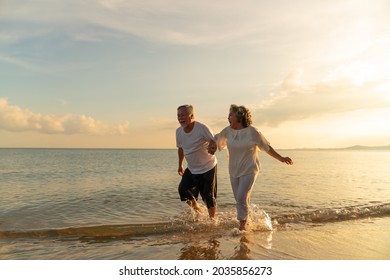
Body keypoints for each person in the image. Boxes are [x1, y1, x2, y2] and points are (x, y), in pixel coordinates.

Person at [209, 104, 293, 230]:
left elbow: (266, 147)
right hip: (234, 171)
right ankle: (249, 221)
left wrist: (281, 158)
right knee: (241, 199)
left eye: (230, 115)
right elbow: (215, 140)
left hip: (249, 170)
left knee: (241, 198)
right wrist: (211, 146)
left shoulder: (252, 132)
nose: (228, 117)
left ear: (239, 117)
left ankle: (242, 228)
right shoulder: (228, 131)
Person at [176, 104, 218, 219]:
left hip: (208, 167)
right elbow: (181, 148)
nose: (180, 118)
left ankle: (212, 220)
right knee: (183, 190)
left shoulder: (202, 128)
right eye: (178, 115)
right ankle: (196, 206)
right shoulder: (179, 132)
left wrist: (212, 147)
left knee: (208, 197)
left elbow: (213, 141)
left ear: (192, 115)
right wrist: (180, 165)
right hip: (192, 168)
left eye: (183, 115)